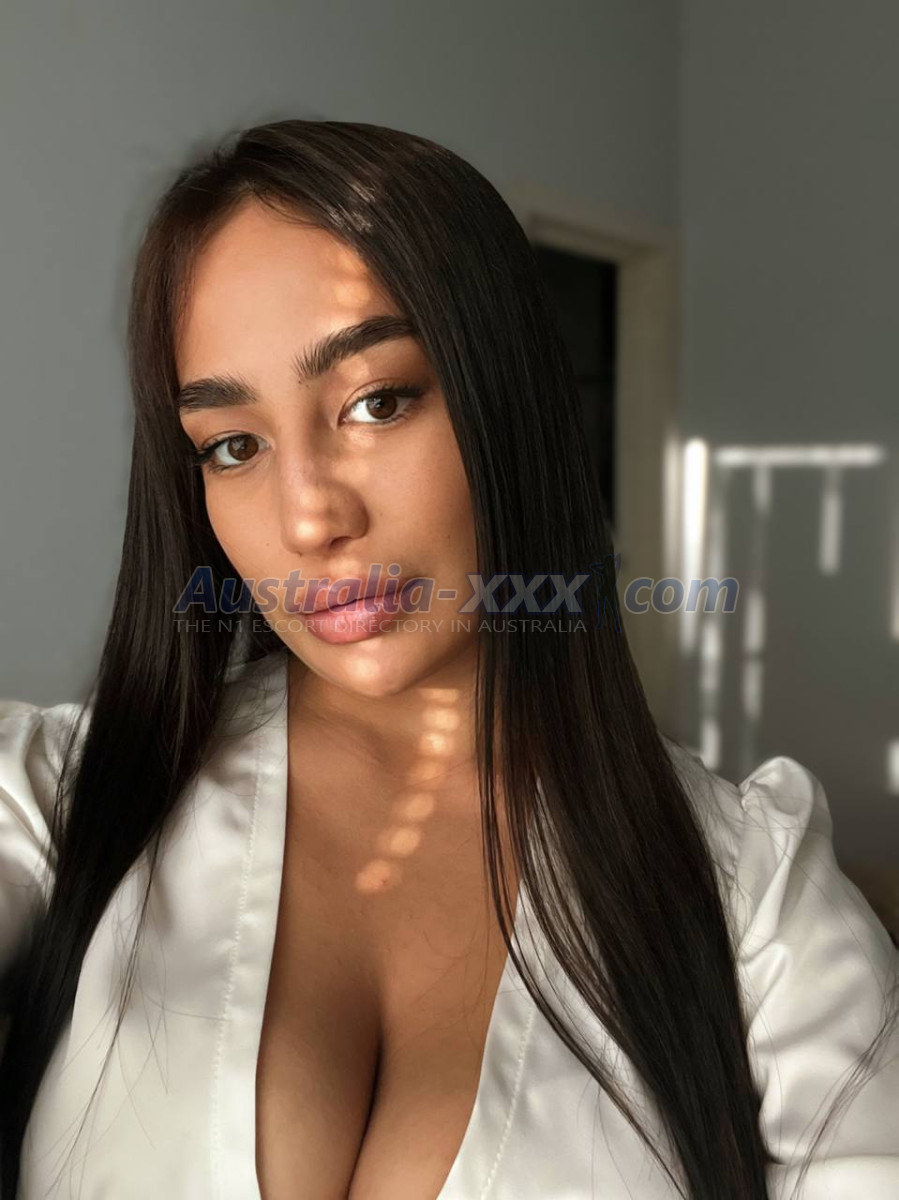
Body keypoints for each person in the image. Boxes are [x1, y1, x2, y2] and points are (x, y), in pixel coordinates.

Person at [0, 119, 896, 1200]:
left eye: (376, 402)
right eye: (233, 445)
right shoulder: (59, 799)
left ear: (503, 397)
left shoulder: (753, 901)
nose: (308, 517)